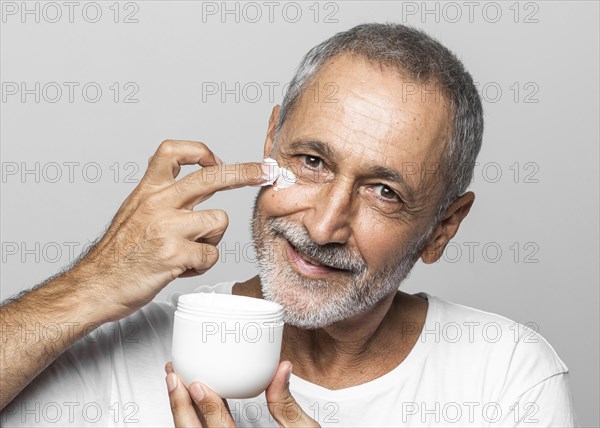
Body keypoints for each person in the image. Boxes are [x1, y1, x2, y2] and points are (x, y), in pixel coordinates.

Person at [0, 23, 576, 427]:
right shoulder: (117, 344)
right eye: (312, 162)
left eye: (383, 192)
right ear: (270, 141)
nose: (325, 226)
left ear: (444, 228)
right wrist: (94, 282)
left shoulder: (505, 377)